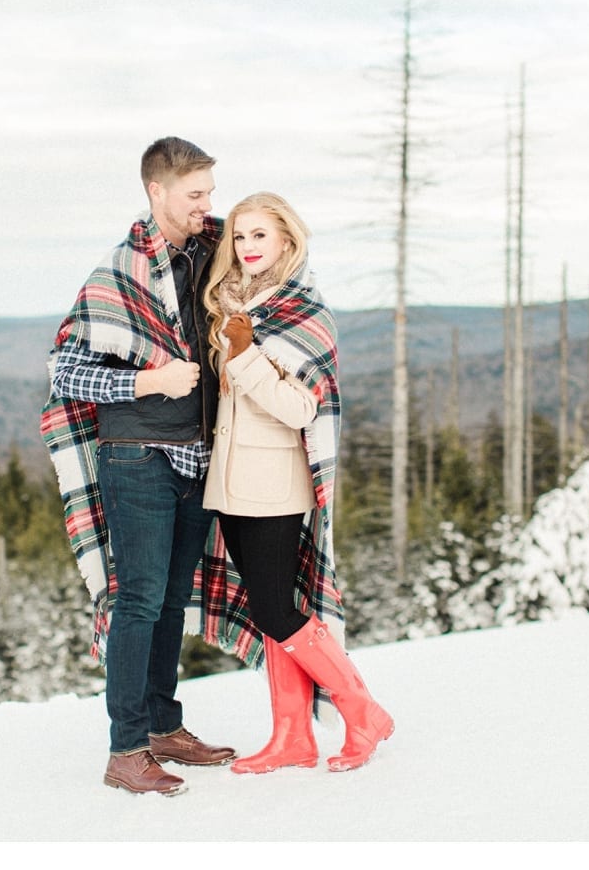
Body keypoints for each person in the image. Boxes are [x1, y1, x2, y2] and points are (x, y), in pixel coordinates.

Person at [40, 137, 241, 797]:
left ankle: (163, 726)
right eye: (195, 196)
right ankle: (125, 750)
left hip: (196, 453)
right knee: (139, 600)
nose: (206, 206)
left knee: (169, 604)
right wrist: (148, 383)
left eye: (210, 193)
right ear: (157, 192)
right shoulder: (118, 270)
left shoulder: (212, 256)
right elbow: (65, 369)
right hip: (137, 456)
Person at [201, 191, 394, 774]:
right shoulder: (233, 306)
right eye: (239, 236)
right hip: (230, 482)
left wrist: (243, 356)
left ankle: (363, 712)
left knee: (278, 612)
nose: (247, 247)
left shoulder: (305, 312)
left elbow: (301, 410)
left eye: (260, 235)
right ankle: (292, 738)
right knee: (270, 612)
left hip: (275, 483)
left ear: (287, 239)